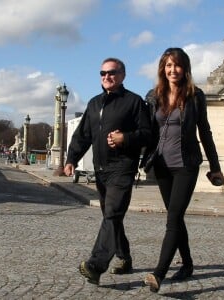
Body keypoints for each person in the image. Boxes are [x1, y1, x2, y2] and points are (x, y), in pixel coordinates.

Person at [142, 48, 224, 293]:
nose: (173, 70)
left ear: (185, 68)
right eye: (168, 65)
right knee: (175, 217)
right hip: (161, 166)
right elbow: (146, 130)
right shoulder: (154, 95)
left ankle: (158, 273)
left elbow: (205, 132)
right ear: (162, 68)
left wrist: (216, 168)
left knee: (172, 219)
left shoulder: (195, 96)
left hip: (186, 165)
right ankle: (187, 264)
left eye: (177, 65)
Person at [64, 57, 151, 284]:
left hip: (122, 167)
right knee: (112, 216)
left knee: (112, 214)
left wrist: (125, 138)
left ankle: (96, 264)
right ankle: (124, 257)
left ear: (122, 75)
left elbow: (147, 133)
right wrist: (71, 158)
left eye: (111, 73)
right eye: (102, 73)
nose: (106, 77)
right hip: (100, 169)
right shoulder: (94, 103)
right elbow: (83, 134)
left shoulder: (134, 102)